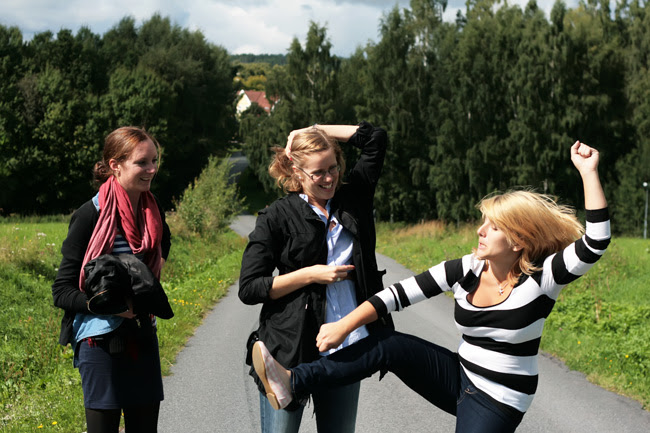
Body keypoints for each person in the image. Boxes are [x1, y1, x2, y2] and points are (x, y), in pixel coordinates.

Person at [252, 140, 611, 433]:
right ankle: (292, 381)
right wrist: (344, 326)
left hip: (498, 400)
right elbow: (396, 295)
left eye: (493, 227)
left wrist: (588, 171)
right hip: (459, 376)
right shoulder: (469, 268)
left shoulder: (542, 278)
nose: (480, 231)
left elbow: (595, 242)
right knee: (387, 344)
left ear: (518, 240)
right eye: (483, 221)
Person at [239, 122, 394, 433]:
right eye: (318, 173)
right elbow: (250, 287)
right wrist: (310, 274)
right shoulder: (276, 216)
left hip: (347, 344)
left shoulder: (354, 198)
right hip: (288, 349)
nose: (329, 178)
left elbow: (375, 138)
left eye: (333, 167)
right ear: (297, 172)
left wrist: (315, 129)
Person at [52, 127, 171, 433]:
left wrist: (144, 287)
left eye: (154, 160)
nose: (152, 169)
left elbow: (162, 250)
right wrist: (110, 305)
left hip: (143, 335)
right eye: (142, 162)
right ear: (115, 165)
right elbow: (62, 291)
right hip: (100, 344)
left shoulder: (153, 212)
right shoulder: (89, 216)